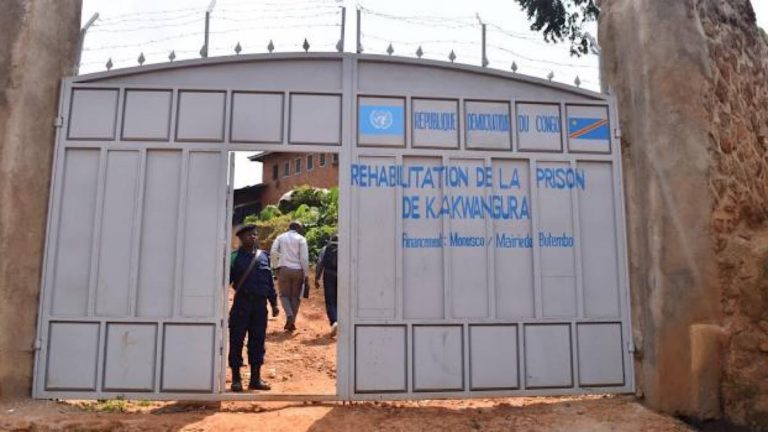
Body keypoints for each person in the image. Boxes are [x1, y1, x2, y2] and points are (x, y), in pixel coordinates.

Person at [229, 224, 279, 392]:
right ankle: (236, 379)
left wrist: (274, 303)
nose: (253, 237)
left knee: (257, 341)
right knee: (237, 340)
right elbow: (224, 281)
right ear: (241, 238)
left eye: (255, 234)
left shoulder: (264, 257)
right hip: (241, 303)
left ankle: (255, 379)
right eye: (249, 235)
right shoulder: (234, 257)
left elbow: (270, 282)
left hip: (260, 305)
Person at [270, 221, 309, 332]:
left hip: (284, 269)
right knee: (295, 297)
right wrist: (305, 274)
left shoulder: (280, 237)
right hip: (298, 271)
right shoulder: (301, 239)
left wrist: (276, 267)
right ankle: (292, 320)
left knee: (284, 295)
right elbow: (304, 258)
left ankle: (289, 315)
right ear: (298, 228)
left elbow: (273, 251)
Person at [315, 234, 338, 336]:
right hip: (343, 275)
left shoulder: (326, 248)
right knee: (342, 300)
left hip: (328, 274)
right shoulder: (347, 247)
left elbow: (320, 263)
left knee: (330, 299)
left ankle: (334, 321)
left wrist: (317, 277)